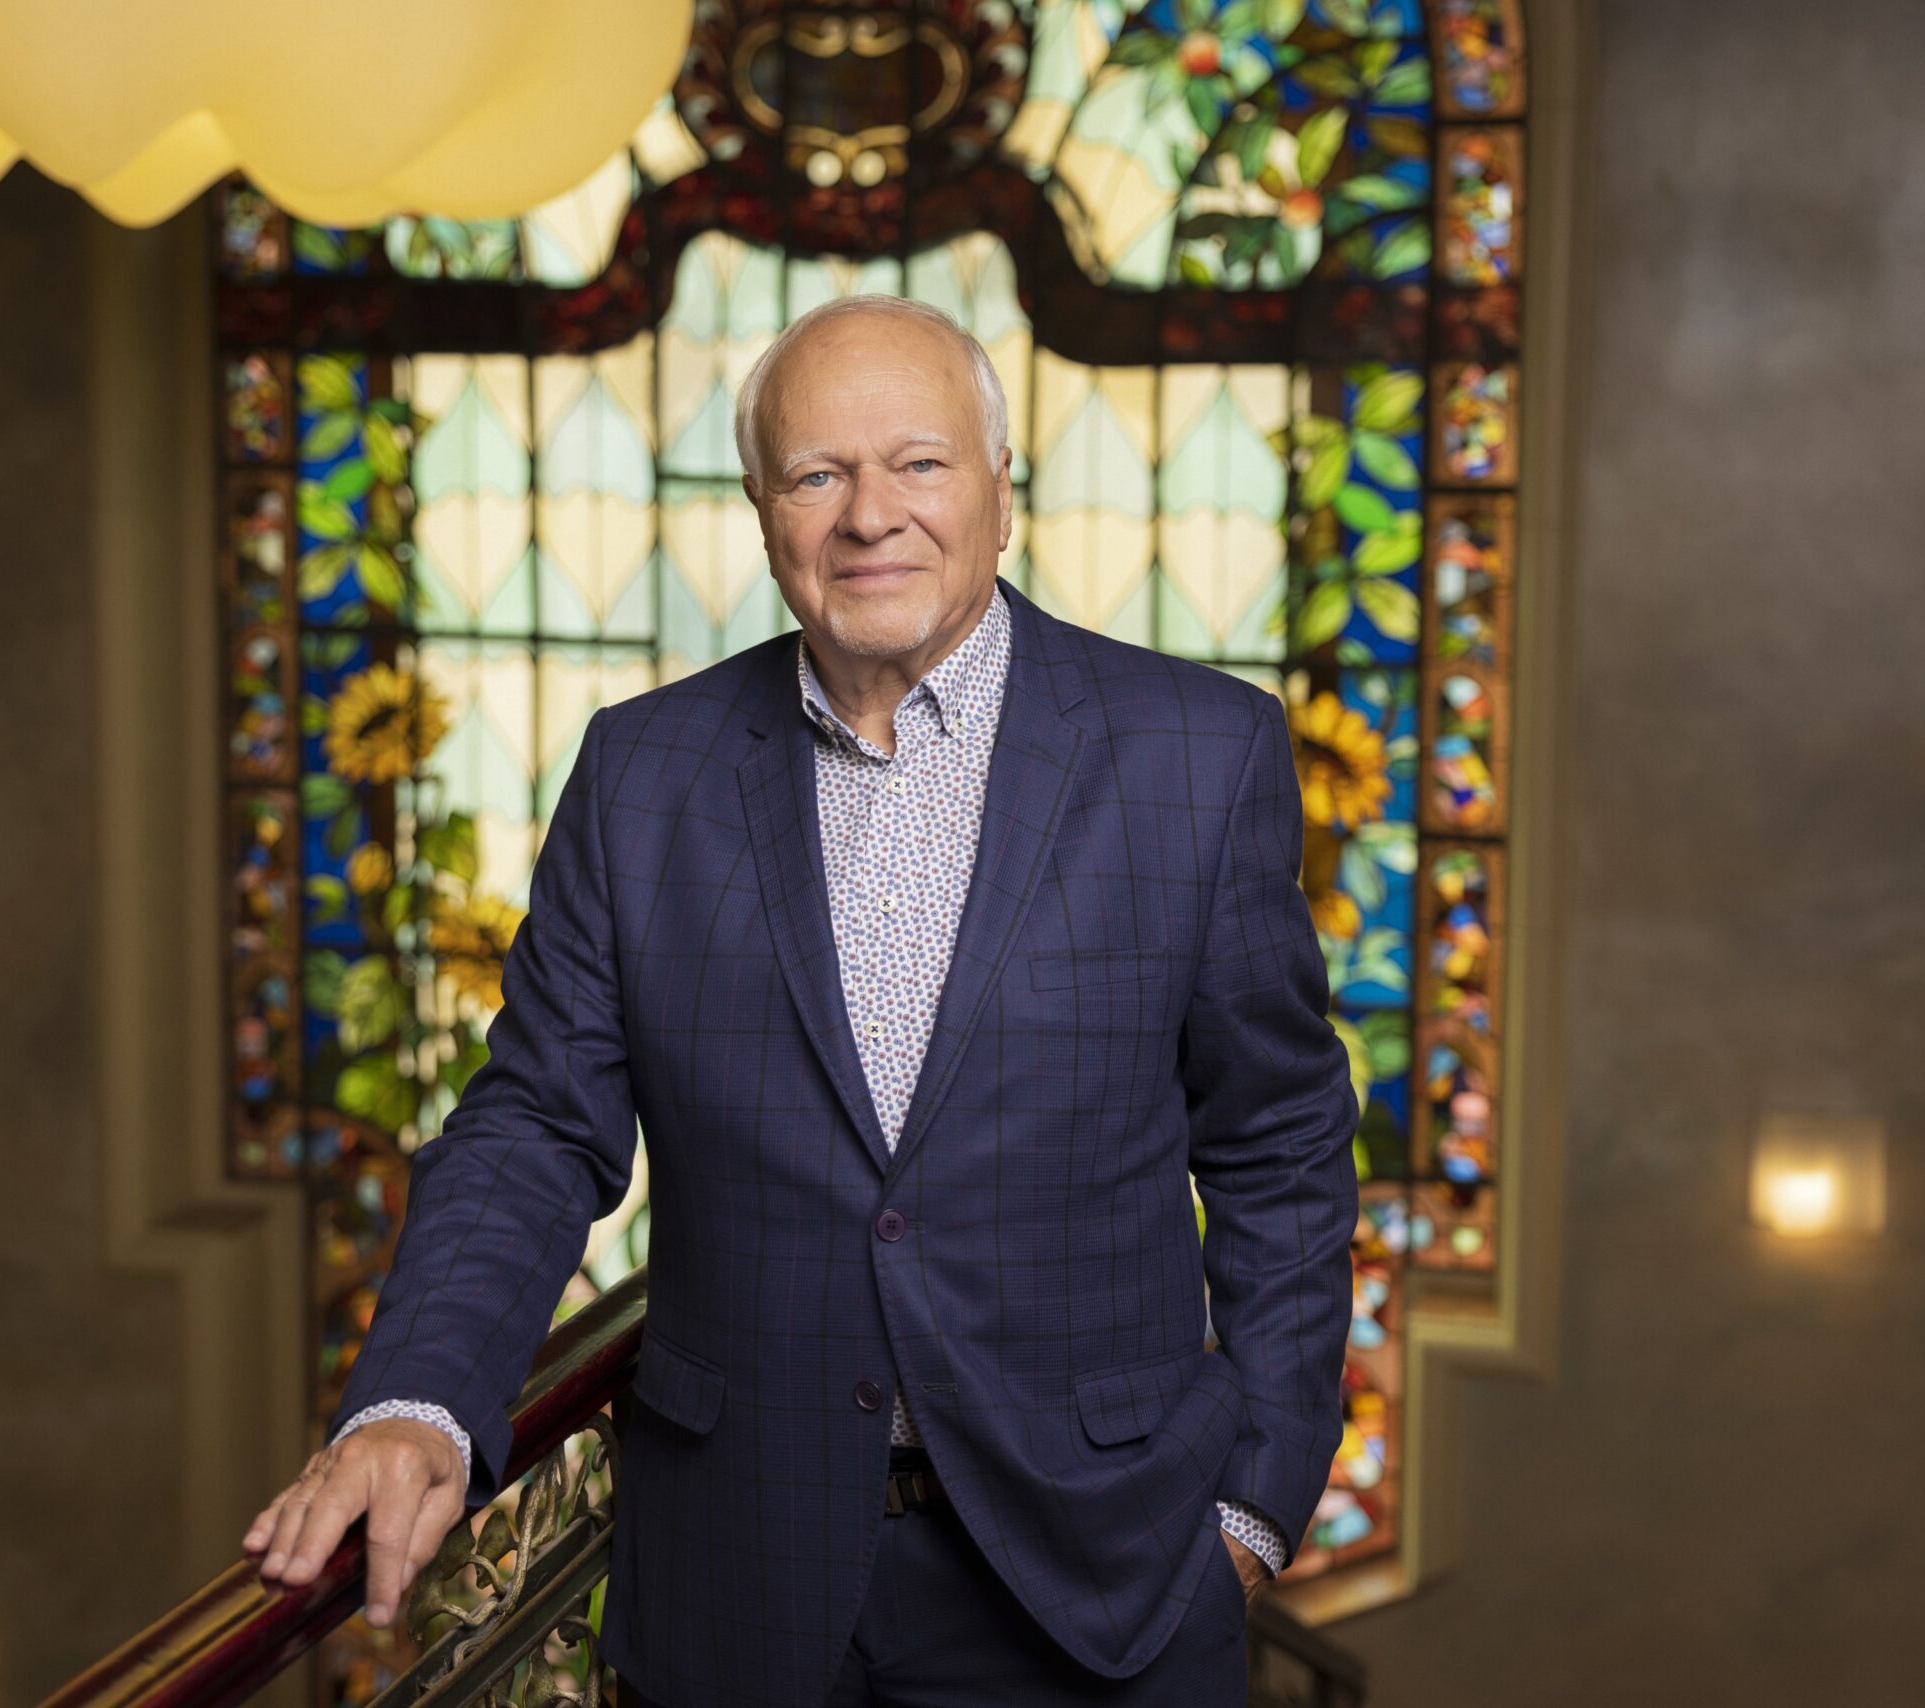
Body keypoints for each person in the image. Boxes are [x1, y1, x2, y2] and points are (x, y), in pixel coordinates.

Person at [241, 294, 1360, 1708]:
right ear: (765, 511)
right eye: (817, 473)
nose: (867, 514)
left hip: (1106, 1579)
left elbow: (1282, 1145)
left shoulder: (1200, 754)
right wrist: (414, 1401)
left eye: (919, 463)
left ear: (1001, 495)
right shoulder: (641, 775)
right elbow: (533, 1122)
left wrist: (1252, 1508)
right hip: (735, 1578)